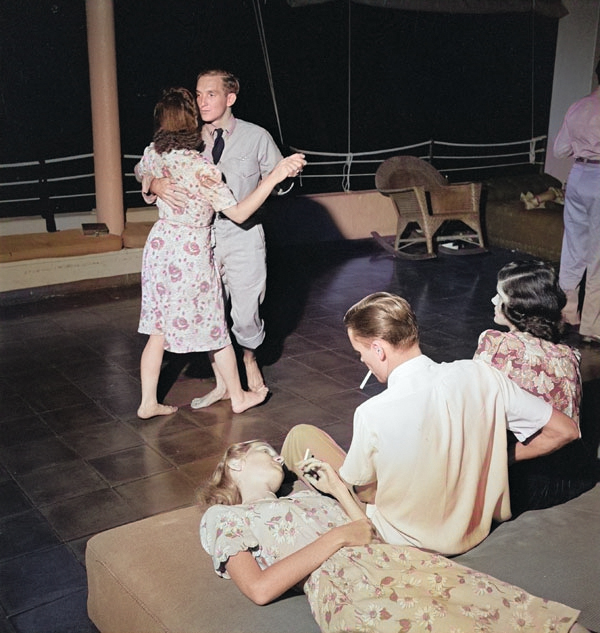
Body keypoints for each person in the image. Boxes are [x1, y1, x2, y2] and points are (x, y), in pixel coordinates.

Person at [280, 292, 580, 556]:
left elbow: (367, 494)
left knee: (302, 436)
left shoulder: (373, 412)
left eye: (361, 354)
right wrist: (499, 457)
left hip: (405, 540)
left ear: (378, 350)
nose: (363, 362)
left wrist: (337, 485)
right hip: (472, 531)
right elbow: (565, 430)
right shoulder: (482, 375)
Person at [199, 440, 585, 633]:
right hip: (345, 585)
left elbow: (366, 533)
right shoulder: (224, 517)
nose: (280, 459)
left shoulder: (303, 495)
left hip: (396, 560)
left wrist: (337, 490)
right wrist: (337, 538)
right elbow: (260, 589)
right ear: (236, 461)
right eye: (268, 452)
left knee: (506, 608)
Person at [134, 87, 305, 419]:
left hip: (160, 247)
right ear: (192, 123)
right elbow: (239, 213)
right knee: (215, 327)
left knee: (159, 329)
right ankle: (238, 396)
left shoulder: (154, 152)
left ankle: (147, 403)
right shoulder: (202, 168)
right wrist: (275, 176)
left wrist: (153, 180)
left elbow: (142, 169)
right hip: (191, 251)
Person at [474, 260, 596, 515]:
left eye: (500, 296)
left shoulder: (496, 343)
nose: (493, 301)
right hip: (570, 478)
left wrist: (504, 458)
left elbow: (475, 410)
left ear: (519, 308)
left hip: (525, 483)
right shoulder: (570, 354)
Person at [553, 58, 600, 343]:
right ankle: (593, 327)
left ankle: (567, 313)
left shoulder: (579, 106)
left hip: (579, 175)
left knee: (573, 247)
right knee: (598, 254)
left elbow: (560, 150)